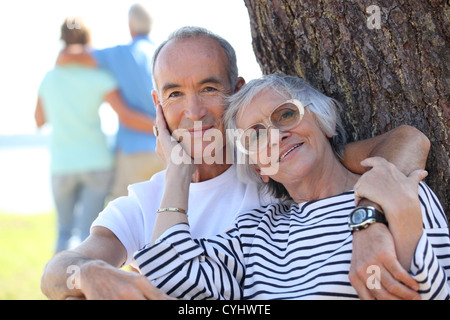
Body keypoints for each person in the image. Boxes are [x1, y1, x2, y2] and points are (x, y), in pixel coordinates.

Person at [41, 27, 431, 300]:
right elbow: (56, 274)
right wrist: (89, 273)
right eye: (175, 94)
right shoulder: (145, 202)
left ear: (237, 91)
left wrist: (370, 223)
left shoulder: (278, 160)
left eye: (209, 88)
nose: (193, 111)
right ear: (158, 106)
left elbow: (406, 141)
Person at [134, 74, 450, 300]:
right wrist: (178, 170)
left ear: (323, 122)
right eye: (255, 135)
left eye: (286, 114)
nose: (275, 135)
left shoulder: (395, 187)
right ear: (259, 167)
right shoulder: (255, 232)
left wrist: (371, 224)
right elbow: (170, 274)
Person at [34, 17, 156, 252]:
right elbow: (126, 114)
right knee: (89, 231)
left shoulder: (49, 78)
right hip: (97, 162)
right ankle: (87, 286)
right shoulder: (102, 78)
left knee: (64, 230)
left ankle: (64, 286)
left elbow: (39, 121)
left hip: (61, 164)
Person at [56, 4, 165, 199]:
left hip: (133, 153)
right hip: (167, 151)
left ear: (130, 25)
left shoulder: (120, 54)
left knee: (126, 219)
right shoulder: (164, 53)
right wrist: (164, 130)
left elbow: (66, 56)